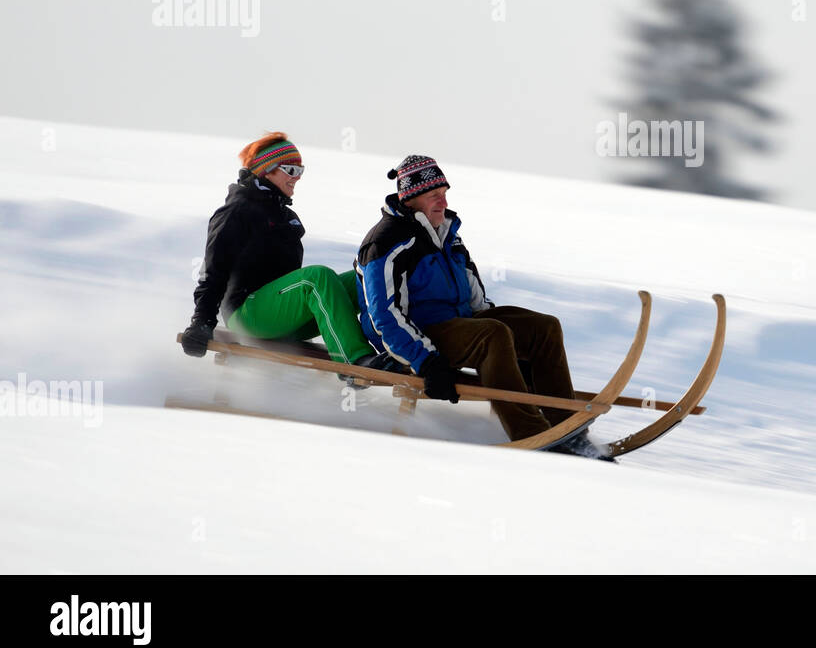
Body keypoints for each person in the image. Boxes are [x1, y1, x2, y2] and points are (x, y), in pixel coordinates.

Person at [354, 154, 609, 458]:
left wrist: (514, 345)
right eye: (435, 195)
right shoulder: (385, 241)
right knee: (492, 334)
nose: (443, 202)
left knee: (543, 328)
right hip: (418, 337)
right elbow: (384, 315)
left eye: (445, 194)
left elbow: (476, 296)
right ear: (411, 197)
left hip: (458, 323)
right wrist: (426, 362)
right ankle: (530, 433)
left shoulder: (446, 233)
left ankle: (566, 429)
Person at [180, 133, 376, 367]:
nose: (298, 178)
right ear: (267, 170)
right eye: (291, 170)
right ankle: (355, 360)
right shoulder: (236, 212)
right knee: (317, 278)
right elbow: (214, 271)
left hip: (279, 316)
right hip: (246, 313)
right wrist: (201, 321)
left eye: (300, 171)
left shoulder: (286, 217)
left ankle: (396, 350)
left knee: (363, 280)